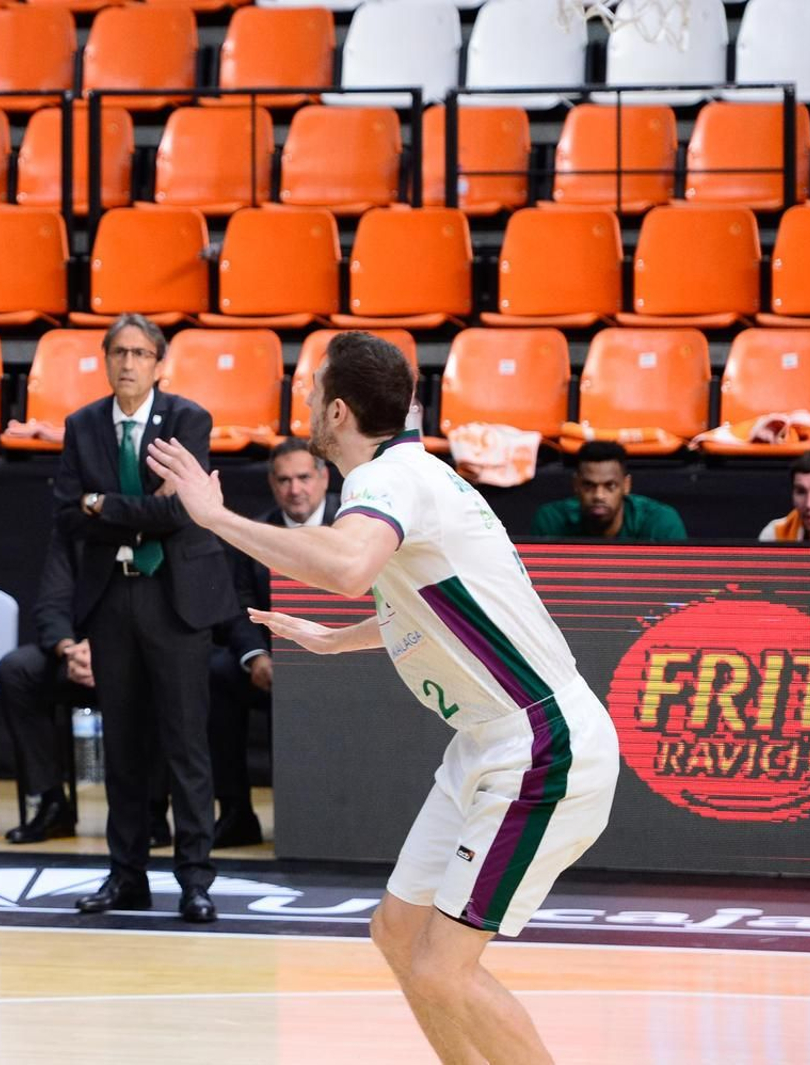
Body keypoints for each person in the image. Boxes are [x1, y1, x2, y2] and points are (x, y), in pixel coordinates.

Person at [146, 332, 620, 1065]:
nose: (303, 402)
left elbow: (345, 564)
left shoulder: (386, 480)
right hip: (490, 742)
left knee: (442, 966)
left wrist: (214, 516)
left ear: (336, 412)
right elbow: (437, 602)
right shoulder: (408, 476)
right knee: (398, 933)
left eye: (310, 392)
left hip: (540, 743)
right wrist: (340, 640)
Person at [57, 314, 236, 925]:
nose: (128, 363)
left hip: (173, 596)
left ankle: (194, 880)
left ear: (159, 363)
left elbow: (182, 511)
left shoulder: (188, 419)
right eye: (118, 352)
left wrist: (104, 503)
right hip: (112, 598)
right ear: (104, 360)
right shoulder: (82, 425)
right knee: (125, 746)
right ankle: (126, 875)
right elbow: (67, 514)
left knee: (185, 742)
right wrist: (126, 508)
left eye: (139, 353)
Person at [208, 438, 338, 849]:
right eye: (284, 480)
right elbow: (237, 605)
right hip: (275, 665)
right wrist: (256, 657)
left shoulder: (355, 522)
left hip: (345, 661)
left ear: (323, 477)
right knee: (217, 674)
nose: (294, 489)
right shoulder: (257, 532)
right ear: (271, 483)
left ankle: (346, 817)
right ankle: (235, 814)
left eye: (303, 477)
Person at [0, 528, 88, 844]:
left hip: (136, 650)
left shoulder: (162, 524)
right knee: (17, 669)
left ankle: (153, 808)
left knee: (168, 673)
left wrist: (108, 652)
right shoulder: (73, 534)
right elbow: (51, 604)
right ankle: (51, 801)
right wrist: (69, 649)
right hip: (78, 656)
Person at [529, 441, 686, 541]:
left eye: (610, 486)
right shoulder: (551, 520)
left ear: (626, 485)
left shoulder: (661, 521)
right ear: (576, 485)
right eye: (588, 486)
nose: (599, 495)